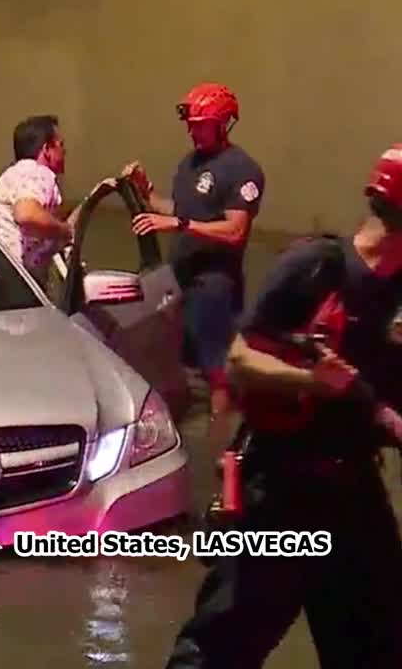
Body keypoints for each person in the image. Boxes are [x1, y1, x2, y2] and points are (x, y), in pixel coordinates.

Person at [163, 145, 402, 668]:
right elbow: (241, 358)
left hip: (355, 492)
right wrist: (313, 382)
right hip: (279, 488)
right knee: (219, 647)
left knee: (379, 647)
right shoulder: (317, 266)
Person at [124, 82, 265, 434]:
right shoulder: (189, 164)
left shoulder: (242, 169)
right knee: (174, 358)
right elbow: (180, 211)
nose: (192, 130)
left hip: (213, 284)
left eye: (199, 124)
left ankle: (222, 439)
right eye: (190, 123)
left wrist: (179, 223)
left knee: (216, 367)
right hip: (179, 278)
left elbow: (235, 230)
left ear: (222, 124)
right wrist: (148, 192)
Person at [0, 114, 74, 285]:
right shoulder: (38, 172)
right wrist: (64, 230)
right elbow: (26, 214)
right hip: (10, 280)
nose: (65, 151)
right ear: (46, 150)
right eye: (60, 145)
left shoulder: (12, 175)